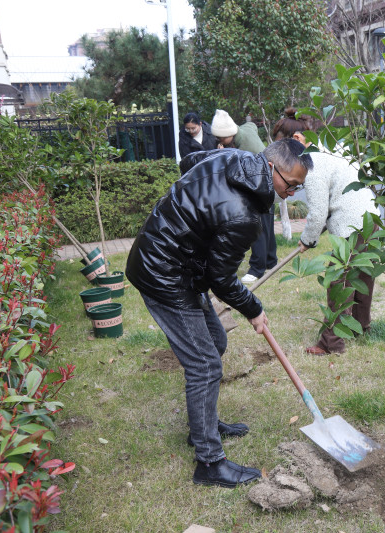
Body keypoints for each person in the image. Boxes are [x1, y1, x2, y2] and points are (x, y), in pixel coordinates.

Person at [126, 139, 312, 488]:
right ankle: (209, 463)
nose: (293, 193)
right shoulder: (242, 215)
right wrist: (254, 310)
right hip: (163, 273)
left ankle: (203, 427)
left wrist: (194, 214)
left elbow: (191, 162)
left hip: (179, 263)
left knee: (216, 341)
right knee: (206, 364)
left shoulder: (236, 157)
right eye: (291, 185)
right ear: (271, 167)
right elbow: (221, 279)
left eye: (300, 186)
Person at [272, 109, 380, 354]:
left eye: (282, 149)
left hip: (352, 222)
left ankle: (332, 343)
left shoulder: (312, 166)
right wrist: (309, 238)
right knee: (362, 275)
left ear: (298, 140)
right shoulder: (326, 154)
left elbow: (319, 213)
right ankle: (360, 326)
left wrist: (307, 239)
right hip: (370, 219)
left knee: (338, 281)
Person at [211, 109, 277, 285]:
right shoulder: (244, 130)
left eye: (221, 139)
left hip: (265, 181)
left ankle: (257, 268)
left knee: (256, 225)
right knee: (268, 222)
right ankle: (271, 261)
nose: (219, 142)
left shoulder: (247, 149)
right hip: (270, 179)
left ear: (229, 134)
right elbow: (252, 125)